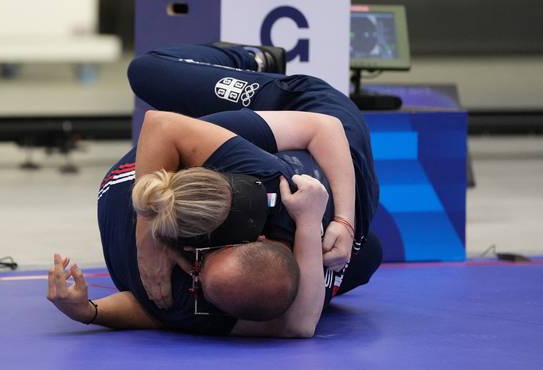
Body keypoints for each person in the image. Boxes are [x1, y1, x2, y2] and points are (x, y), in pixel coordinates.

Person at [47, 43, 382, 337]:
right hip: (317, 144)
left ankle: (255, 63)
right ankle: (251, 66)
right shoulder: (264, 181)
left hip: (306, 132)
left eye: (196, 278)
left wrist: (90, 311)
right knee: (146, 70)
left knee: (368, 256)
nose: (192, 274)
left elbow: (324, 126)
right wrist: (335, 222)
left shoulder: (199, 291)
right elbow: (297, 326)